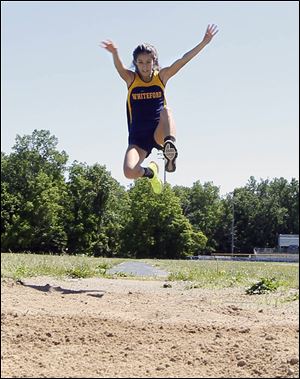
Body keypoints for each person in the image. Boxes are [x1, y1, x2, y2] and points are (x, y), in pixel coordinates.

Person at [101, 24, 218, 194]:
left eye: (148, 62)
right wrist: (115, 53)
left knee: (166, 111)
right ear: (135, 63)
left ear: (154, 62)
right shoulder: (131, 80)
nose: (145, 66)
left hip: (159, 132)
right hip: (138, 138)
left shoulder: (161, 77)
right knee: (129, 172)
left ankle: (170, 146)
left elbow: (183, 60)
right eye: (140, 62)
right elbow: (119, 67)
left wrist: (204, 42)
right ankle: (151, 173)